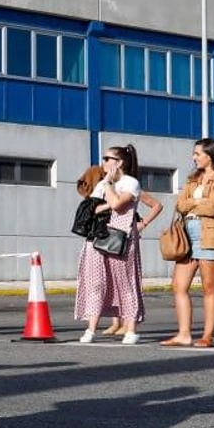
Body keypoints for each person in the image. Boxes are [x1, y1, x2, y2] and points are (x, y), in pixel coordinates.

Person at [75, 144, 161, 344]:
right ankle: (91, 329)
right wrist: (107, 191)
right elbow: (91, 210)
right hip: (98, 236)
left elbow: (117, 204)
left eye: (107, 159)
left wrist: (142, 223)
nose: (103, 162)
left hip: (122, 238)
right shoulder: (102, 183)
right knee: (96, 282)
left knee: (126, 282)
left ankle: (131, 330)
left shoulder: (130, 183)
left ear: (119, 162)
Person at [162, 138, 214, 348]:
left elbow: (213, 208)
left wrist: (192, 204)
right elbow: (180, 205)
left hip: (210, 233)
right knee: (178, 285)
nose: (194, 157)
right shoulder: (192, 178)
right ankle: (184, 334)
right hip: (187, 233)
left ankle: (207, 336)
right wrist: (196, 201)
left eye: (198, 154)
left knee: (209, 287)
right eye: (194, 154)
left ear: (210, 156)